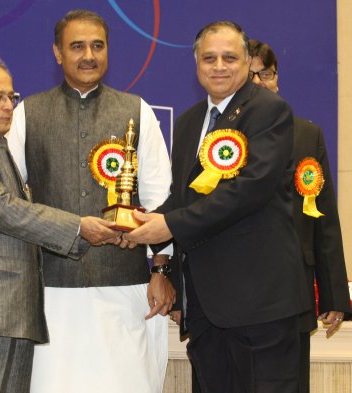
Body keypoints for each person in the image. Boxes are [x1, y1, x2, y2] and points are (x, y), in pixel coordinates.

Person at [125, 21, 309, 393]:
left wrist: (170, 225)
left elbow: (249, 190)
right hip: (208, 310)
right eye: (209, 58)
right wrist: (143, 228)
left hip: (262, 306)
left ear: (246, 62)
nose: (219, 66)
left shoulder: (269, 111)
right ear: (197, 65)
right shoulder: (191, 121)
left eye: (230, 57)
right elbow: (182, 196)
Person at [0, 56, 119, 393]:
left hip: (7, 311)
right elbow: (5, 210)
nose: (7, 106)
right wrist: (78, 226)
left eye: (11, 98)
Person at [7, 9, 174, 393]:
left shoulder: (138, 111)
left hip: (125, 285)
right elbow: (10, 201)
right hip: (51, 288)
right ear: (57, 53)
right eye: (77, 46)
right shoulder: (27, 113)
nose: (88, 55)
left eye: (97, 46)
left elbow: (160, 198)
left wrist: (160, 270)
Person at [248, 39, 351, 393]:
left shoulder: (308, 134)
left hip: (293, 292)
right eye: (252, 75)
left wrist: (335, 294)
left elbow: (324, 221)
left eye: (269, 73)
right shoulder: (217, 140)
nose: (262, 82)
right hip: (231, 294)